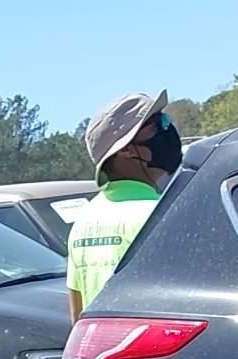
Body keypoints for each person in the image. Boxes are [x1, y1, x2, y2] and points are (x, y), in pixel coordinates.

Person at [68, 91, 183, 317]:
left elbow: (77, 317)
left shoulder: (82, 222)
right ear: (127, 150)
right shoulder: (165, 213)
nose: (168, 127)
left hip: (103, 351)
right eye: (157, 123)